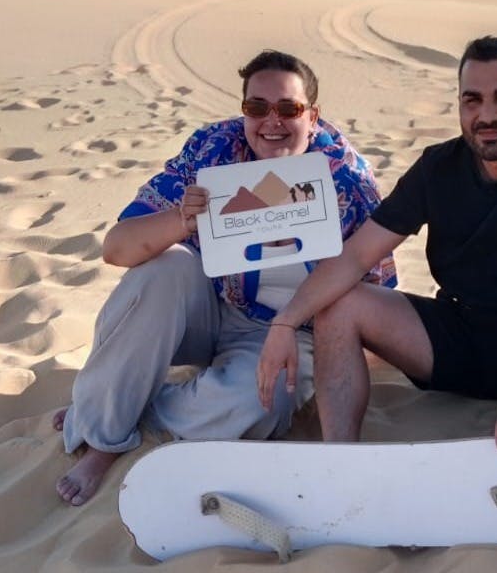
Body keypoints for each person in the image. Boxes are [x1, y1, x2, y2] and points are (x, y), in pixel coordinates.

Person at [54, 50, 396, 506]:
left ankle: (128, 404)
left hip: (293, 332)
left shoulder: (347, 179)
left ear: (313, 116)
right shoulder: (214, 151)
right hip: (212, 308)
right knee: (165, 266)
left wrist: (295, 332)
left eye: (288, 109)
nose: (270, 121)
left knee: (259, 404)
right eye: (256, 108)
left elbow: (374, 291)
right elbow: (117, 248)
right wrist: (182, 220)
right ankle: (101, 436)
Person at [258, 36, 497, 458]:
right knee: (339, 304)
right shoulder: (438, 168)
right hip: (463, 338)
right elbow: (357, 255)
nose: (486, 115)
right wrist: (285, 323)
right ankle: (341, 460)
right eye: (472, 100)